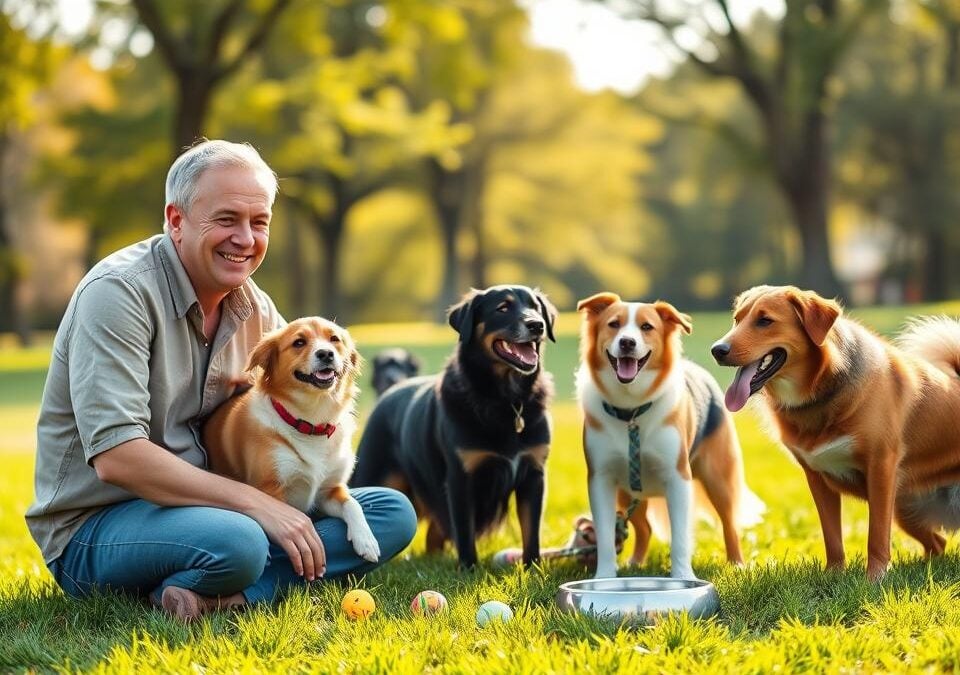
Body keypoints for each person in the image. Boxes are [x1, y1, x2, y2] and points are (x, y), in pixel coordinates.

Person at [25, 140, 417, 621]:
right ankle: (237, 571)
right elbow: (118, 458)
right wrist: (258, 506)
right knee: (242, 540)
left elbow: (294, 399)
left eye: (259, 222)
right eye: (227, 219)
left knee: (390, 512)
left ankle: (214, 597)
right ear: (176, 220)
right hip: (100, 525)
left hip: (208, 509)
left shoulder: (257, 310)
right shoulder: (118, 295)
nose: (246, 239)